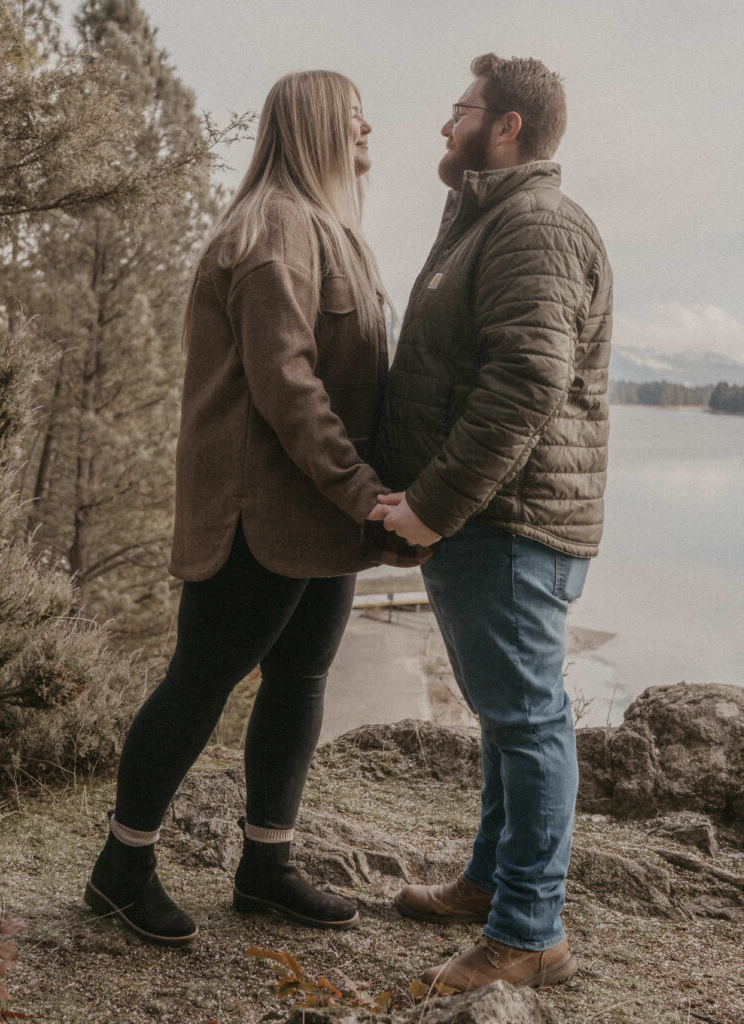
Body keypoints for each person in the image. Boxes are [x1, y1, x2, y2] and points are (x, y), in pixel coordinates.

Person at [85, 70, 403, 946]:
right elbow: (287, 387)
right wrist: (366, 495)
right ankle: (120, 870)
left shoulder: (333, 232)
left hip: (316, 520)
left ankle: (266, 866)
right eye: (351, 118)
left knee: (299, 683)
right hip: (255, 516)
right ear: (309, 129)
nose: (368, 129)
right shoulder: (272, 233)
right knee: (198, 684)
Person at [373, 53, 612, 991]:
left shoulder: (535, 225)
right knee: (501, 716)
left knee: (527, 719)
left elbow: (524, 383)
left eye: (460, 110)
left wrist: (430, 506)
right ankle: (489, 883)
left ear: (505, 126)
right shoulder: (492, 218)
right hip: (491, 519)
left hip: (508, 524)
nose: (445, 126)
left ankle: (526, 935)